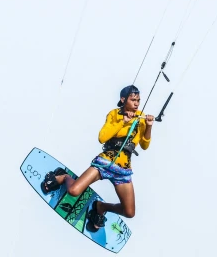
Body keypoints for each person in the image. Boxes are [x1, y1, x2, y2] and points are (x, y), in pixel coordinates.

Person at [41, 85, 154, 231]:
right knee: (74, 191)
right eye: (133, 100)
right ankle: (63, 177)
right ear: (123, 99)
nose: (136, 103)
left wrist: (149, 126)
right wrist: (123, 122)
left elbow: (144, 146)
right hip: (105, 163)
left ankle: (100, 207)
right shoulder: (114, 114)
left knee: (129, 212)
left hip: (123, 170)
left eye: (138, 100)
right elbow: (102, 137)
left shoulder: (141, 118)